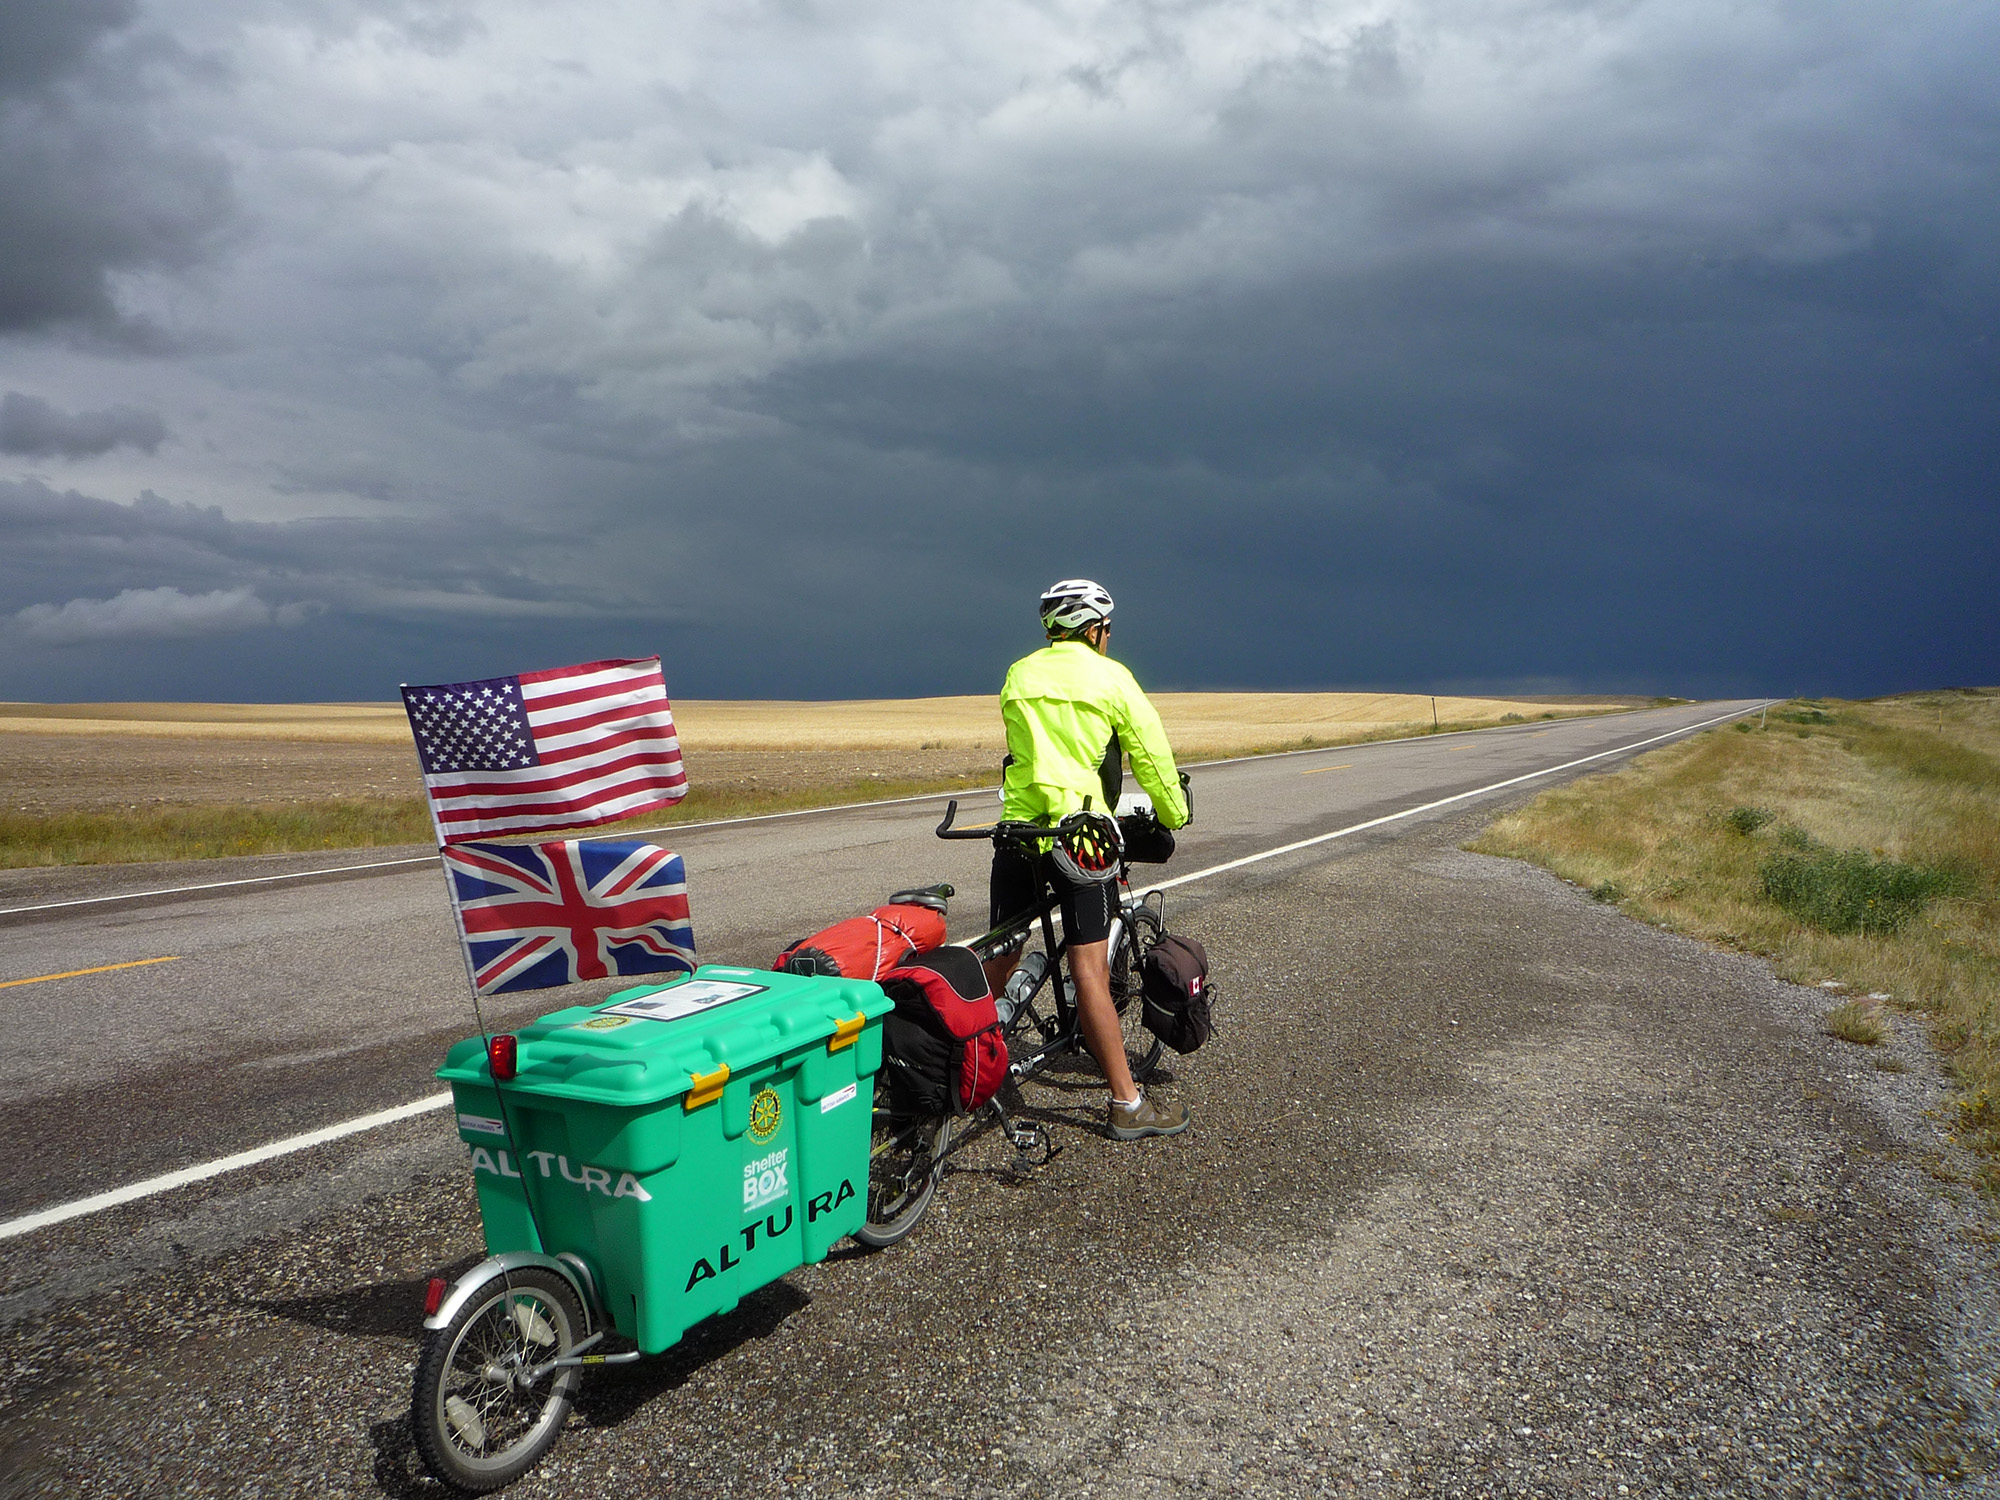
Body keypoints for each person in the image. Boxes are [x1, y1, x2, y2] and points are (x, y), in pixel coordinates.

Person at [987, 578, 1193, 1140]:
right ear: (1095, 630)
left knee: (1001, 956)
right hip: (1082, 842)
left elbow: (1026, 757)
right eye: (1107, 629)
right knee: (1089, 969)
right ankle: (1127, 1104)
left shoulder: (1019, 674)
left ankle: (969, 1065)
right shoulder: (1112, 677)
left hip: (1020, 834)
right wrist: (1173, 813)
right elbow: (1151, 755)